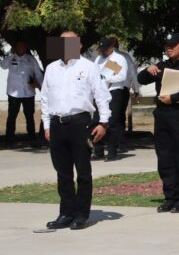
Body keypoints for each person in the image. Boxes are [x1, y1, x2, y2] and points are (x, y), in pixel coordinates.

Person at [40, 30, 111, 230]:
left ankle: (81, 214)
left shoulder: (88, 67)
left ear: (79, 45)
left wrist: (103, 123)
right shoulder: (52, 68)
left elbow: (101, 95)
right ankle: (66, 213)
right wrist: (46, 125)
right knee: (62, 173)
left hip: (79, 123)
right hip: (57, 123)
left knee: (83, 171)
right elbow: (45, 98)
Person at [137, 33, 179, 214]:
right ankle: (170, 197)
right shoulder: (162, 66)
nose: (168, 48)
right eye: (167, 46)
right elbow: (141, 79)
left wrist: (175, 98)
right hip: (162, 116)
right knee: (165, 158)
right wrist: (148, 70)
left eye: (173, 45)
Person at [1, 40, 43, 147]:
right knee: (11, 116)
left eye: (23, 46)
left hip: (28, 92)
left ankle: (32, 138)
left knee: (29, 116)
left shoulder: (31, 60)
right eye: (19, 47)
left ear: (26, 48)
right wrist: (11, 57)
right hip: (14, 93)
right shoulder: (11, 58)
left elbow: (38, 74)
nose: (21, 48)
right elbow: (3, 66)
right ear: (15, 48)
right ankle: (9, 139)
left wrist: (39, 85)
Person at [93, 37, 128, 161]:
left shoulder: (118, 59)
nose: (103, 52)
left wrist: (106, 79)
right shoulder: (98, 59)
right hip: (100, 92)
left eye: (105, 49)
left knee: (111, 122)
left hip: (114, 92)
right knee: (96, 120)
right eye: (101, 49)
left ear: (111, 48)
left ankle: (112, 152)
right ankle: (98, 150)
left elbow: (122, 77)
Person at [113, 37, 140, 151]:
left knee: (113, 117)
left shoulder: (110, 58)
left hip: (113, 89)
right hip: (123, 89)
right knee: (119, 117)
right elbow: (133, 73)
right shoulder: (125, 57)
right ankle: (120, 144)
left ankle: (116, 143)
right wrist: (136, 89)